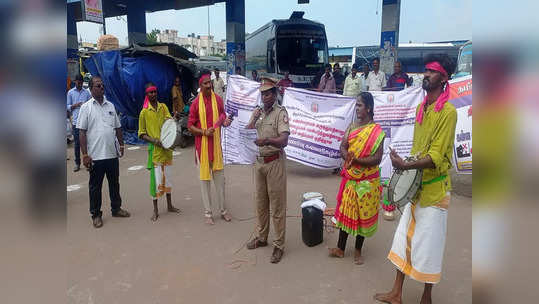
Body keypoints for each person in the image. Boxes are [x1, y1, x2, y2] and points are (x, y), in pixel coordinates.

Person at [374, 54, 457, 304]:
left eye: (432, 72)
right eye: (425, 71)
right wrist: (405, 165)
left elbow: (435, 156)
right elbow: (420, 148)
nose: (426, 75)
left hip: (435, 192)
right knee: (402, 240)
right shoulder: (422, 108)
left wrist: (405, 164)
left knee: (430, 247)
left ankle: (427, 297)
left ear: (444, 78)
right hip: (417, 189)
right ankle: (397, 293)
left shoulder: (449, 112)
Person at [329, 92, 385, 265]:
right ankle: (340, 248)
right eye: (356, 105)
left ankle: (358, 251)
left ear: (368, 108)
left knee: (363, 215)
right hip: (351, 179)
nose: (357, 108)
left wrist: (356, 160)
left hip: (367, 182)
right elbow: (342, 147)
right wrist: (348, 157)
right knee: (346, 212)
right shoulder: (352, 127)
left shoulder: (376, 131)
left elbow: (377, 158)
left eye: (360, 105)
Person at [245, 77, 290, 264]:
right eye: (262, 93)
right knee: (261, 203)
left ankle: (278, 245)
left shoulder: (280, 113)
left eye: (268, 93)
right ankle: (262, 238)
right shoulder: (259, 113)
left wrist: (268, 141)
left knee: (277, 206)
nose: (264, 96)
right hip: (260, 163)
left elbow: (284, 140)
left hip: (274, 163)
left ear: (275, 94)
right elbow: (247, 132)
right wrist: (253, 118)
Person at [77, 76, 130, 228]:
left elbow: (118, 127)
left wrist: (121, 145)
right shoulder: (86, 108)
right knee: (95, 187)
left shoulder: (110, 106)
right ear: (91, 89)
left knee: (114, 183)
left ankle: (116, 208)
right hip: (95, 156)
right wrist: (85, 155)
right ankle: (95, 214)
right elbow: (81, 132)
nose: (101, 88)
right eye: (98, 86)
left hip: (111, 153)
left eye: (102, 86)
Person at [188, 73, 233, 225]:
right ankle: (208, 213)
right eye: (206, 84)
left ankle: (223, 211)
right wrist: (203, 132)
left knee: (220, 182)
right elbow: (190, 126)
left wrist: (225, 122)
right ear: (200, 86)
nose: (209, 85)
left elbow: (222, 115)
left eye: (210, 83)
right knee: (204, 182)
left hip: (216, 149)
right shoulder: (195, 103)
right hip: (202, 149)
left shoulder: (218, 99)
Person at [138, 83, 181, 221]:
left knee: (168, 178)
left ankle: (169, 205)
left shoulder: (163, 107)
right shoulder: (144, 112)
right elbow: (141, 134)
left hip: (167, 149)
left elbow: (169, 122)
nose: (153, 94)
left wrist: (174, 119)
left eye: (155, 92)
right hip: (155, 151)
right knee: (155, 181)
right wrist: (154, 141)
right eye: (150, 92)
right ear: (147, 94)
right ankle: (155, 210)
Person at [67, 74, 91, 172]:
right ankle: (77, 163)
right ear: (75, 81)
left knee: (88, 143)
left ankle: (89, 162)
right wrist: (74, 105)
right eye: (78, 82)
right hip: (76, 122)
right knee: (77, 144)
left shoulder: (87, 93)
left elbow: (91, 104)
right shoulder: (70, 93)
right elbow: (67, 106)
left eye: (81, 83)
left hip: (86, 121)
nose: (79, 84)